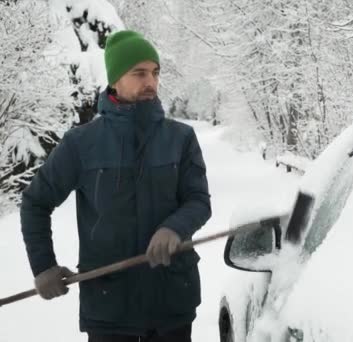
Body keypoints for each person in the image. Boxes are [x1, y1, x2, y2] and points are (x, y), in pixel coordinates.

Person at [20, 30, 212, 342]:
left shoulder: (181, 138)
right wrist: (43, 266)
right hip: (109, 308)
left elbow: (199, 201)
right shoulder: (81, 144)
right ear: (115, 79)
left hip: (172, 303)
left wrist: (174, 228)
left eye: (155, 72)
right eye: (139, 73)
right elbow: (35, 203)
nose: (150, 82)